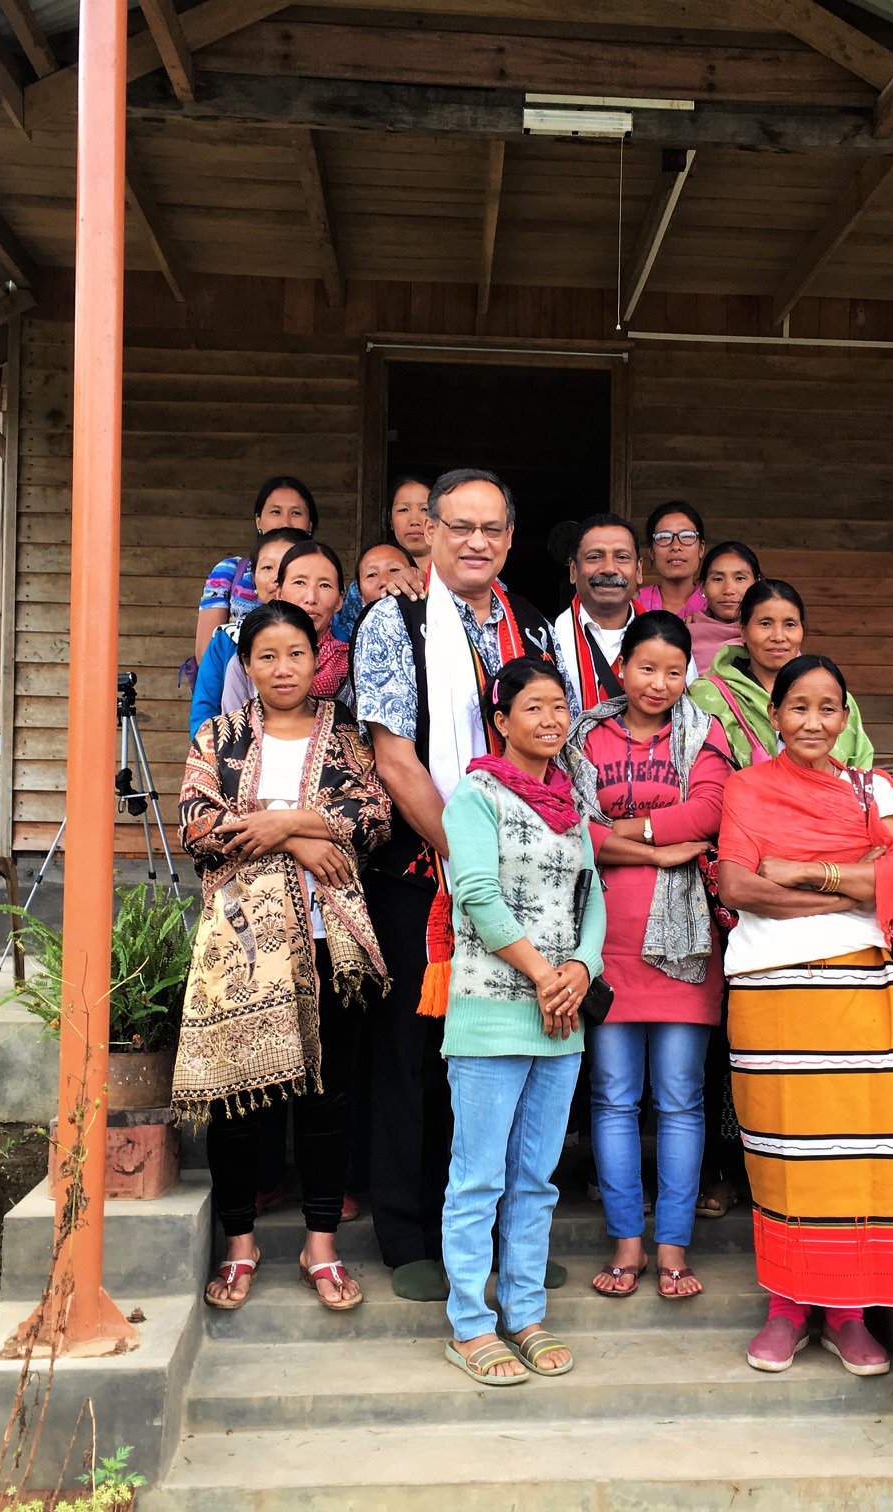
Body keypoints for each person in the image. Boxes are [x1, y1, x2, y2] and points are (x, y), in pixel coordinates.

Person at [715, 653, 893, 1375]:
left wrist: (803, 870)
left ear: (846, 716)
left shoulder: (871, 788)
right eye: (798, 707)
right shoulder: (745, 787)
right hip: (771, 988)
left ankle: (849, 1312)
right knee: (786, 1151)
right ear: (775, 715)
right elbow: (738, 886)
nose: (813, 722)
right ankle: (787, 1308)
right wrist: (851, 888)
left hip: (863, 984)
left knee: (861, 1151)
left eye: (828, 708)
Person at [352, 467, 559, 1300]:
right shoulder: (393, 620)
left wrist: (524, 862)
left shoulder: (531, 627)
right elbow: (394, 756)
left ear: (509, 538)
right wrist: (472, 859)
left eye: (492, 528)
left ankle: (506, 1238)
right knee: (413, 1053)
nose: (476, 541)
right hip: (426, 874)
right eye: (460, 525)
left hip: (524, 888)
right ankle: (409, 1236)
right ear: (429, 532)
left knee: (502, 1055)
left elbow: (554, 743)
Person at [173, 600, 392, 1315]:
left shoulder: (348, 737)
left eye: (295, 653)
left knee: (330, 1097)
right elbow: (198, 824)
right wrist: (298, 839)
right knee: (242, 1100)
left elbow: (376, 817)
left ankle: (320, 1245)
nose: (283, 668)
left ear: (317, 657)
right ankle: (241, 1244)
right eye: (266, 656)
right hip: (245, 945)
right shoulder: (220, 736)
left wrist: (286, 818)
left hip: (335, 941)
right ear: (247, 665)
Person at [438, 658, 602, 1384]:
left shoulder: (572, 802)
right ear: (501, 721)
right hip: (492, 1013)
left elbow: (591, 896)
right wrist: (544, 975)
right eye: (532, 707)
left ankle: (526, 1313)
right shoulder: (474, 797)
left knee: (536, 1177)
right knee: (478, 1178)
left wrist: (582, 970)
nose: (550, 720)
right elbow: (473, 890)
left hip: (561, 1018)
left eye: (559, 707)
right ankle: (471, 1323)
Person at [564, 611, 732, 1302]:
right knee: (611, 1096)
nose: (658, 682)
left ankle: (672, 1248)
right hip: (606, 934)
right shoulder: (584, 735)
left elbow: (710, 814)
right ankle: (626, 1239)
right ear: (621, 667)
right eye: (645, 667)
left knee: (682, 1098)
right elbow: (572, 826)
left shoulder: (704, 733)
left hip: (686, 941)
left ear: (687, 672)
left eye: (673, 670)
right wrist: (658, 850)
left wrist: (626, 830)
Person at [690, 579, 876, 770]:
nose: (778, 636)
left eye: (790, 624)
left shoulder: (836, 699)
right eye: (765, 624)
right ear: (743, 631)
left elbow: (862, 780)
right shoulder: (708, 696)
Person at [190, 528, 312, 738]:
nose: (276, 577)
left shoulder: (334, 640)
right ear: (254, 580)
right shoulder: (226, 640)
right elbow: (204, 716)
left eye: (286, 566)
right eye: (266, 567)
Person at [193, 476, 318, 665]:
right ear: (258, 521)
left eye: (296, 513)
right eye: (275, 511)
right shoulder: (229, 571)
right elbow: (205, 654)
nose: (285, 521)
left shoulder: (323, 571)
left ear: (309, 524)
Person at [552, 513, 641, 722]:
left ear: (638, 570)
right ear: (573, 570)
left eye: (622, 557)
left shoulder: (667, 639)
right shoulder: (547, 641)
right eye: (594, 557)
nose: (609, 568)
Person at [338, 473, 434, 641]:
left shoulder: (454, 576)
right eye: (403, 509)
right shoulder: (364, 582)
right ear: (390, 520)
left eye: (425, 509)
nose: (414, 520)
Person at [692, 540, 761, 664]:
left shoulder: (772, 635)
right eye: (718, 579)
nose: (728, 590)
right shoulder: (685, 635)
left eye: (740, 578)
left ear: (757, 583)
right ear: (702, 586)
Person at [635, 501, 708, 618]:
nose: (675, 546)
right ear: (651, 552)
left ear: (701, 548)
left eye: (687, 536)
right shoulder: (634, 605)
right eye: (664, 537)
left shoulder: (713, 606)